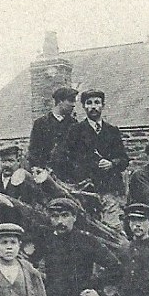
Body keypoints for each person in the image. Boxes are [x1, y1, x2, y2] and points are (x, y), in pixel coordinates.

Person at [55, 89, 129, 229]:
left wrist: (112, 163)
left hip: (109, 191)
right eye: (89, 103)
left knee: (113, 229)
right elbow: (63, 160)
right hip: (85, 192)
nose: (93, 106)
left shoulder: (112, 131)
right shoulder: (75, 131)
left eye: (97, 102)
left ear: (103, 105)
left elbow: (124, 159)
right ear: (84, 106)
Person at [28, 85, 78, 171]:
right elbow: (34, 151)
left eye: (74, 101)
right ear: (60, 101)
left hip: (68, 174)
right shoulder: (40, 123)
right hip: (46, 174)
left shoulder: (74, 124)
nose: (73, 105)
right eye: (70, 101)